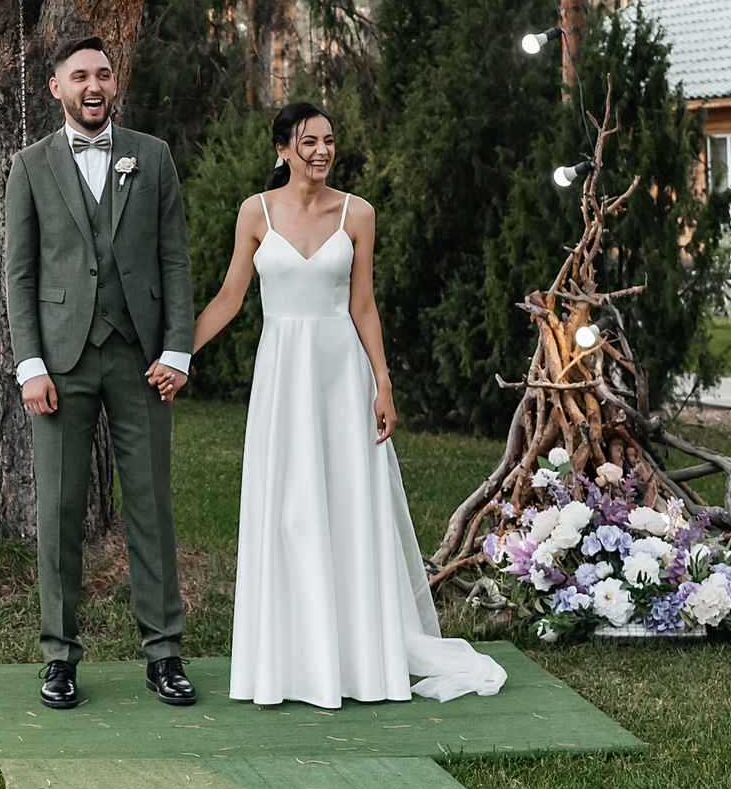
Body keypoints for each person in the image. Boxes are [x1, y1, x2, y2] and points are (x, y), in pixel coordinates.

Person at [191, 102, 506, 707]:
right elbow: (231, 296)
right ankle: (287, 665)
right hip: (283, 375)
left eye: (329, 141)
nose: (321, 151)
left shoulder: (357, 213)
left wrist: (383, 382)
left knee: (346, 508)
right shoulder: (254, 213)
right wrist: (178, 354)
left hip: (343, 375)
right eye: (308, 141)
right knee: (286, 509)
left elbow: (364, 304)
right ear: (282, 149)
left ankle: (359, 663)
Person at [5, 37, 198, 712]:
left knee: (150, 503)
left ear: (114, 84)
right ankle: (59, 657)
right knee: (58, 510)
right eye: (79, 75)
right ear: (55, 87)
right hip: (60, 360)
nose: (94, 84)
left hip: (142, 357)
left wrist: (178, 350)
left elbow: (175, 257)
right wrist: (29, 363)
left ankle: (164, 653)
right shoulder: (29, 167)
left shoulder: (153, 155)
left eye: (104, 73)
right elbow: (20, 274)